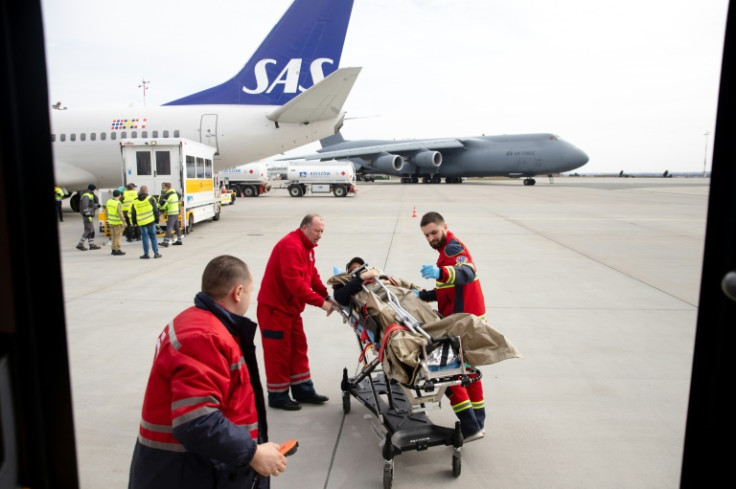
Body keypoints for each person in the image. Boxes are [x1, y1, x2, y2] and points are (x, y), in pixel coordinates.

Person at [128, 255, 287, 489]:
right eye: (251, 292)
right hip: (186, 473)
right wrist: (253, 453)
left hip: (189, 467)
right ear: (238, 292)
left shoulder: (196, 322)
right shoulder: (205, 337)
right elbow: (197, 421)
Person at [417, 211, 487, 442]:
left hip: (464, 324)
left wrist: (442, 272)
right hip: (465, 321)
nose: (430, 238)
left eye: (434, 232)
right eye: (426, 235)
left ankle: (470, 426)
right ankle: (478, 421)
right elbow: (450, 288)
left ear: (444, 227)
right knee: (470, 373)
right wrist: (424, 295)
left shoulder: (453, 249)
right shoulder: (443, 251)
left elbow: (467, 273)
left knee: (445, 374)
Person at [257, 213, 336, 411]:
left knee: (298, 348)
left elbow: (312, 275)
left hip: (290, 310)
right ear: (304, 228)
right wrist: (321, 303)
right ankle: (278, 396)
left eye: (322, 232)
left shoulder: (307, 248)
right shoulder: (290, 246)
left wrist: (326, 296)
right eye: (317, 231)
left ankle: (303, 390)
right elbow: (296, 285)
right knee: (279, 354)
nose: (320, 235)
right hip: (274, 310)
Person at [130, 185, 161, 259]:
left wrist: (134, 222)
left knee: (145, 238)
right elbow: (155, 210)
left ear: (140, 191)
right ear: (147, 191)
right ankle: (156, 253)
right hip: (151, 221)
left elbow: (133, 213)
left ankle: (146, 254)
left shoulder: (135, 201)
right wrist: (157, 220)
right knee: (153, 238)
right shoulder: (150, 199)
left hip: (141, 223)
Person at [76, 183, 101, 251]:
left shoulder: (90, 195)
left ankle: (91, 244)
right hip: (87, 216)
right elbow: (85, 206)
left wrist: (97, 206)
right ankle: (80, 244)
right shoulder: (86, 195)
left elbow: (91, 206)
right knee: (88, 230)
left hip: (89, 214)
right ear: (93, 189)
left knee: (91, 231)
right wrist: (88, 215)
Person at [158, 182, 182, 247]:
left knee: (169, 227)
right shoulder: (174, 193)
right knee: (176, 226)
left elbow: (165, 204)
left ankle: (166, 242)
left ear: (166, 187)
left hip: (172, 212)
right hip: (176, 211)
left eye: (164, 187)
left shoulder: (169, 194)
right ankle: (179, 240)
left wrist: (159, 207)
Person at [105, 189, 127, 256]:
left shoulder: (109, 201)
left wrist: (109, 218)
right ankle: (117, 249)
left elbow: (106, 212)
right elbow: (120, 214)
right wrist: (124, 221)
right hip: (118, 223)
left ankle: (113, 249)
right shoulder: (118, 203)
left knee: (113, 236)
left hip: (111, 222)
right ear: (119, 195)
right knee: (118, 236)